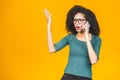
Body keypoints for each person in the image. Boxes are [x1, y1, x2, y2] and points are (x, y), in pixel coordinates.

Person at [44, 5, 101, 80]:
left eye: (80, 20)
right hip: (68, 76)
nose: (76, 23)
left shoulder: (96, 40)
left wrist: (86, 36)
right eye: (75, 20)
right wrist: (48, 26)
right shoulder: (70, 37)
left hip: (85, 77)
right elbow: (52, 49)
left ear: (88, 22)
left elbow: (93, 61)